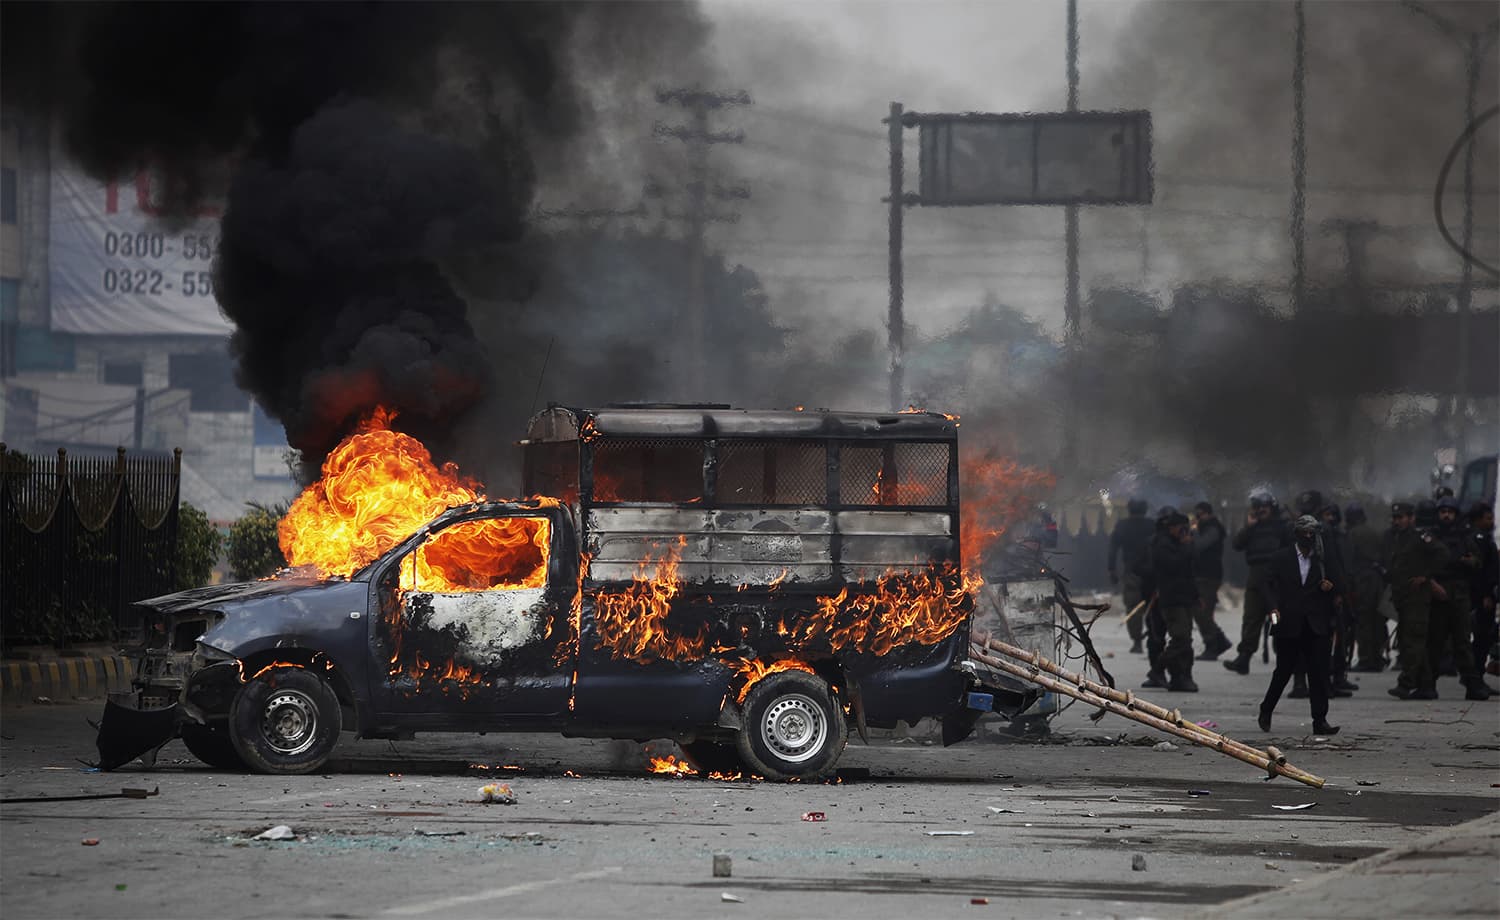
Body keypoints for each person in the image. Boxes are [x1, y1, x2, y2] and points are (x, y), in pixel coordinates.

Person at [1258, 515, 1342, 734]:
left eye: (1313, 533)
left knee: (1319, 673)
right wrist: (1273, 607)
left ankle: (1319, 720)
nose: (1309, 537)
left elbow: (1339, 583)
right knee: (1283, 671)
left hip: (1316, 623)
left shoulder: (1323, 559)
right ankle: (1266, 709)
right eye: (1305, 532)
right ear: (1296, 534)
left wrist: (1329, 586)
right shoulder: (1281, 557)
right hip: (1289, 623)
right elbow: (1265, 584)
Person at [1383, 501, 1449, 700]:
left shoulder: (1420, 536)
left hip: (1417, 598)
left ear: (1411, 518)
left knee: (1414, 642)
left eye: (1401, 517)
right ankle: (1426, 685)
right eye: (1395, 518)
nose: (1397, 521)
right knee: (1410, 641)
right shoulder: (1396, 538)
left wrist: (1426, 577)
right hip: (1403, 598)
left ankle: (1406, 684)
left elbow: (1443, 553)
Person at [1430, 497, 1494, 700]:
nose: (1446, 515)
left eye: (1450, 511)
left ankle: (1472, 684)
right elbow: (1420, 563)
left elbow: (1478, 561)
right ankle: (1427, 684)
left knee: (1462, 641)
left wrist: (1468, 561)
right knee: (1435, 642)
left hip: (1459, 594)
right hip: (1438, 592)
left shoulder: (1465, 537)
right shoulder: (1431, 536)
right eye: (1443, 511)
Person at [1225, 491, 1291, 675]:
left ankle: (1286, 658)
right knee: (1252, 618)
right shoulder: (1253, 528)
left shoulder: (1283, 527)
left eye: (1265, 507)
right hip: (1256, 575)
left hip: (1278, 578)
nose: (1261, 511)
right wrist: (1249, 526)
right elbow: (1237, 544)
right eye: (1258, 508)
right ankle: (1244, 657)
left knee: (1279, 619)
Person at [1142, 506, 1198, 692]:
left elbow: (1190, 570)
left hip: (1184, 597)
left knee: (1185, 639)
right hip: (1170, 597)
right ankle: (1158, 670)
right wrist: (1186, 545)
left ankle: (1181, 677)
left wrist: (1196, 595)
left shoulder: (1178, 542)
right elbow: (1172, 565)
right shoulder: (1161, 543)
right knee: (1177, 638)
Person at [1320, 503, 1359, 697]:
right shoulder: (1322, 538)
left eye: (1332, 515)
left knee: (1342, 637)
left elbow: (1346, 565)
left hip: (1342, 592)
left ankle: (1338, 677)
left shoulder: (1340, 537)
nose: (1329, 519)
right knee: (1329, 640)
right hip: (1329, 595)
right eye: (1326, 515)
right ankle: (1327, 681)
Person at [1346, 503, 1389, 672]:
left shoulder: (1352, 534)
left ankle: (1365, 659)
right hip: (1377, 580)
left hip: (1362, 580)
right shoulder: (1375, 532)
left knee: (1363, 620)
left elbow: (1349, 559)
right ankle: (1377, 657)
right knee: (1377, 620)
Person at [1109, 498, 1155, 654]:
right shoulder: (1152, 525)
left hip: (1132, 573)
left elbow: (1113, 549)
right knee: (1152, 607)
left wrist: (1112, 570)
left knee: (1133, 607)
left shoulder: (1123, 526)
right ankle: (1154, 637)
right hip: (1152, 573)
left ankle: (1137, 642)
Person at [1191, 502, 1234, 661]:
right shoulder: (1207, 527)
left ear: (1207, 514)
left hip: (1208, 575)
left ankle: (1214, 644)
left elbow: (1200, 546)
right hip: (1202, 575)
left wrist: (1194, 532)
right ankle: (1219, 641)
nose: (1198, 518)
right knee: (1201, 612)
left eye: (1200, 515)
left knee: (1203, 612)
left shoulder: (1213, 528)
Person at [1468, 503, 1499, 676]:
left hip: (1486, 594)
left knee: (1485, 637)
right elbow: (1481, 571)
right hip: (1482, 597)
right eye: (1488, 518)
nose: (1492, 521)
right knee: (1481, 637)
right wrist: (1486, 595)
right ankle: (1474, 677)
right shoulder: (1478, 539)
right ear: (1478, 520)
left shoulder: (1485, 538)